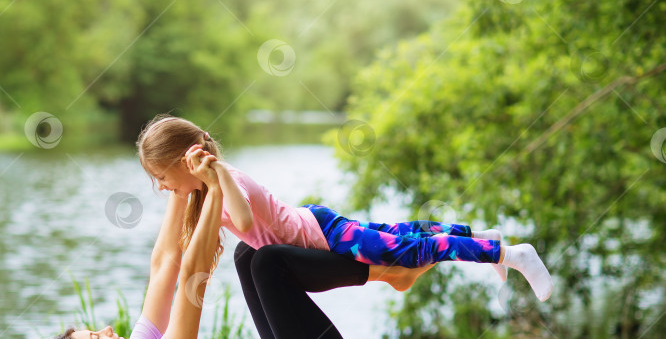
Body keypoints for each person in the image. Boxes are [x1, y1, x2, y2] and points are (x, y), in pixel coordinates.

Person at [35, 153, 430, 339]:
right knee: (270, 262)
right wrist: (212, 195)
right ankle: (387, 273)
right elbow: (193, 276)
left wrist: (181, 180)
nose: (107, 329)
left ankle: (388, 272)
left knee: (251, 252)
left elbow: (164, 265)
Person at [136, 114, 553, 302]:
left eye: (163, 176)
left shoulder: (226, 178)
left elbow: (243, 220)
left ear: (185, 160)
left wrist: (212, 175)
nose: (163, 187)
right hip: (318, 225)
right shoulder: (204, 192)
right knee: (402, 235)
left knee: (411, 252)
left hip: (325, 234)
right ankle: (483, 238)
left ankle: (512, 255)